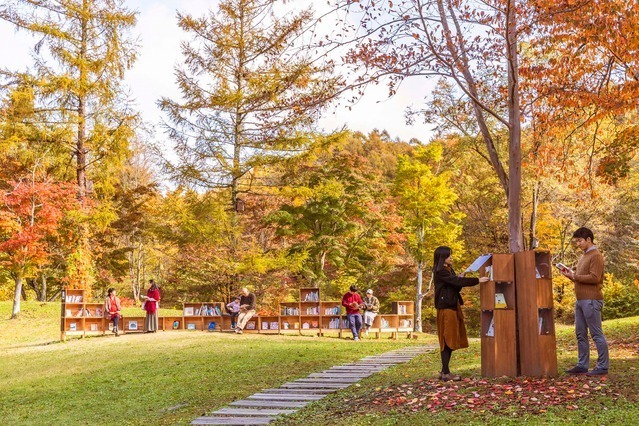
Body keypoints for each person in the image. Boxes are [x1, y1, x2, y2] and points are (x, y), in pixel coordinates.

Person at [433, 246, 489, 381]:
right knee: (447, 340)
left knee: (451, 339)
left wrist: (459, 277)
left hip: (452, 307)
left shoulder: (447, 270)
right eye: (448, 256)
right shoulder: (441, 271)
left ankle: (444, 371)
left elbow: (456, 285)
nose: (451, 257)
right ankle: (446, 373)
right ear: (442, 258)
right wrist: (477, 280)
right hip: (446, 309)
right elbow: (455, 282)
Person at [562, 227, 609, 376]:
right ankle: (582, 365)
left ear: (588, 239)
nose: (578, 244)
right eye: (577, 241)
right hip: (581, 300)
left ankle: (603, 366)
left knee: (596, 334)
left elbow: (594, 278)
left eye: (580, 241)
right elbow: (581, 277)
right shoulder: (583, 256)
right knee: (580, 334)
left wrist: (575, 277)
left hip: (592, 300)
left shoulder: (596, 256)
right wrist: (571, 275)